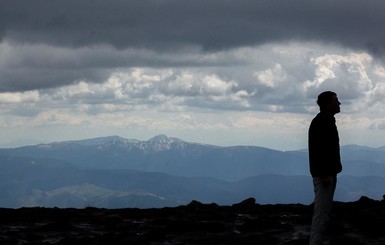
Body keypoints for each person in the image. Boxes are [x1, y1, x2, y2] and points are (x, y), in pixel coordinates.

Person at [308, 91, 342, 245]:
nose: (339, 103)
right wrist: (324, 174)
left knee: (324, 212)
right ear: (327, 104)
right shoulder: (322, 122)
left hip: (328, 174)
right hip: (325, 176)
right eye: (336, 101)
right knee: (321, 213)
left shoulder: (325, 120)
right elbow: (319, 150)